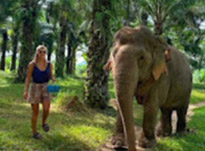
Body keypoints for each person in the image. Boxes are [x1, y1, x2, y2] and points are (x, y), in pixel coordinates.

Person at [23, 45, 55, 139]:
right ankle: (34, 133)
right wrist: (25, 91)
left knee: (46, 108)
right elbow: (28, 78)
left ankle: (44, 123)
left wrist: (52, 78)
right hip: (35, 87)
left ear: (46, 53)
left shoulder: (49, 64)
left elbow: (50, 75)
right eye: (40, 52)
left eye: (44, 52)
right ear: (37, 53)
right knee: (35, 111)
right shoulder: (32, 64)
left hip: (46, 86)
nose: (42, 54)